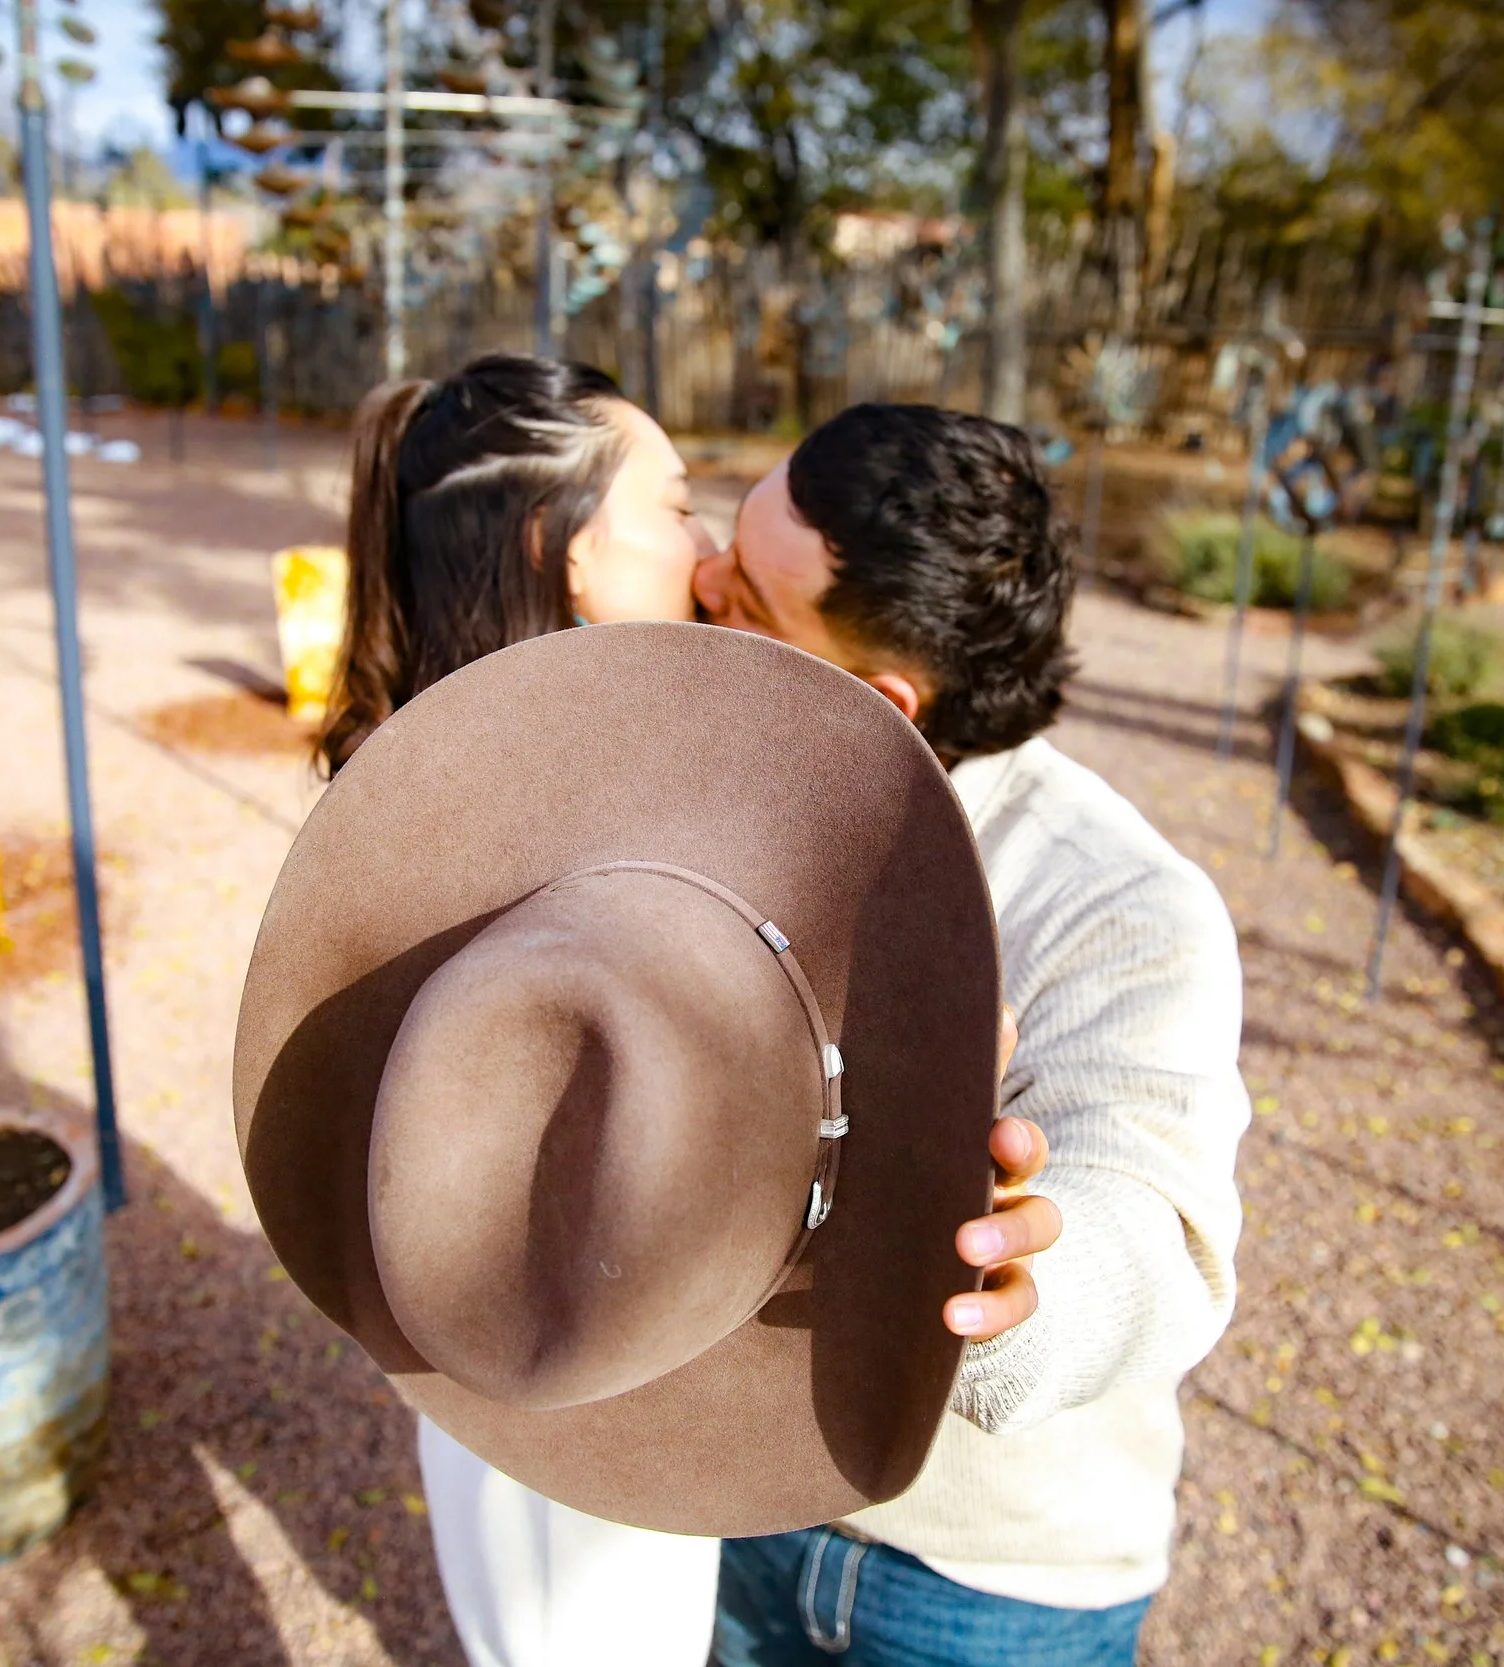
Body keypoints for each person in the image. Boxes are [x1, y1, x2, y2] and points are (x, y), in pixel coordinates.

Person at [319, 359, 1057, 1667]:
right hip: (579, 1373)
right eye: (673, 508)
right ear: (573, 555)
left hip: (563, 1346)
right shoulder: (556, 838)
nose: (709, 549)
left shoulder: (457, 784)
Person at [695, 404, 1250, 1666]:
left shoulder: (1119, 901)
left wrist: (1017, 1274)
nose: (701, 585)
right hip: (739, 1511)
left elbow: (1150, 1215)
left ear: (879, 698)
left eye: (742, 595)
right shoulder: (730, 779)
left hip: (982, 1593)